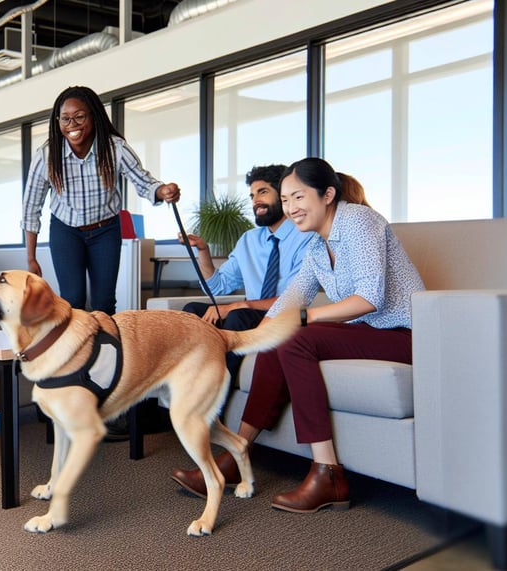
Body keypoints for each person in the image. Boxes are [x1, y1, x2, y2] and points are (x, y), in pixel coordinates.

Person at [176, 157, 425, 511]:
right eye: (287, 199)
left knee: (296, 335)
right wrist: (256, 336)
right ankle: (237, 453)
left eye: (298, 197)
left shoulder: (358, 221)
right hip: (368, 333)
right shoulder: (315, 245)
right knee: (280, 336)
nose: (291, 208)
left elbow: (371, 298)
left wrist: (304, 318)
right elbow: (291, 298)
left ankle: (328, 473)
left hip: (405, 335)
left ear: (327, 195)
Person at [169, 165, 314, 495]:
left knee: (233, 320)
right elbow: (219, 285)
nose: (256, 201)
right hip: (248, 313)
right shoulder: (250, 239)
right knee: (192, 315)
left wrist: (240, 306)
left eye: (263, 192)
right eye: (252, 196)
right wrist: (204, 252)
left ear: (285, 194)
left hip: (276, 318)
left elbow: (294, 298)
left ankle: (210, 407)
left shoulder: (305, 236)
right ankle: (186, 394)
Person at [21, 85, 181, 316]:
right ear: (58, 121)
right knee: (73, 299)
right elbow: (31, 207)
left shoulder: (114, 148)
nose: (72, 125)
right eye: (65, 119)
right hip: (66, 231)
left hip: (105, 230)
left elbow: (143, 181)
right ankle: (78, 351)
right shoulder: (47, 154)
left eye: (79, 117)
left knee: (104, 303)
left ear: (93, 117)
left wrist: (163, 191)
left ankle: (107, 351)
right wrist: (31, 257)